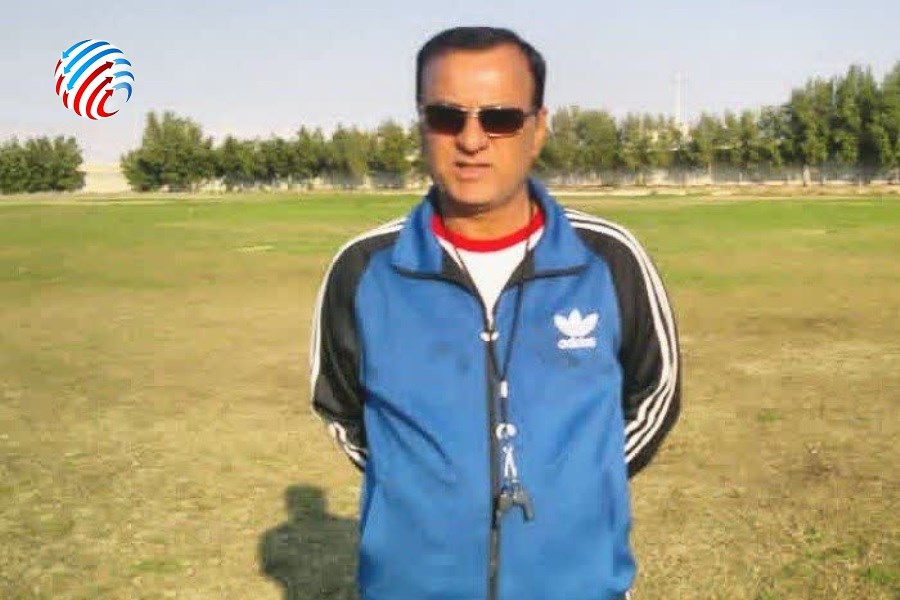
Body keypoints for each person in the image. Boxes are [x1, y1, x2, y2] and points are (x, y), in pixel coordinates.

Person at [309, 26, 681, 600]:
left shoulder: (607, 260)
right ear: (421, 125)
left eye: (500, 118)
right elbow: (343, 409)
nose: (471, 139)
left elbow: (656, 393)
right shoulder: (365, 270)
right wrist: (423, 489)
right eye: (446, 116)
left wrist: (578, 484)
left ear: (538, 127)